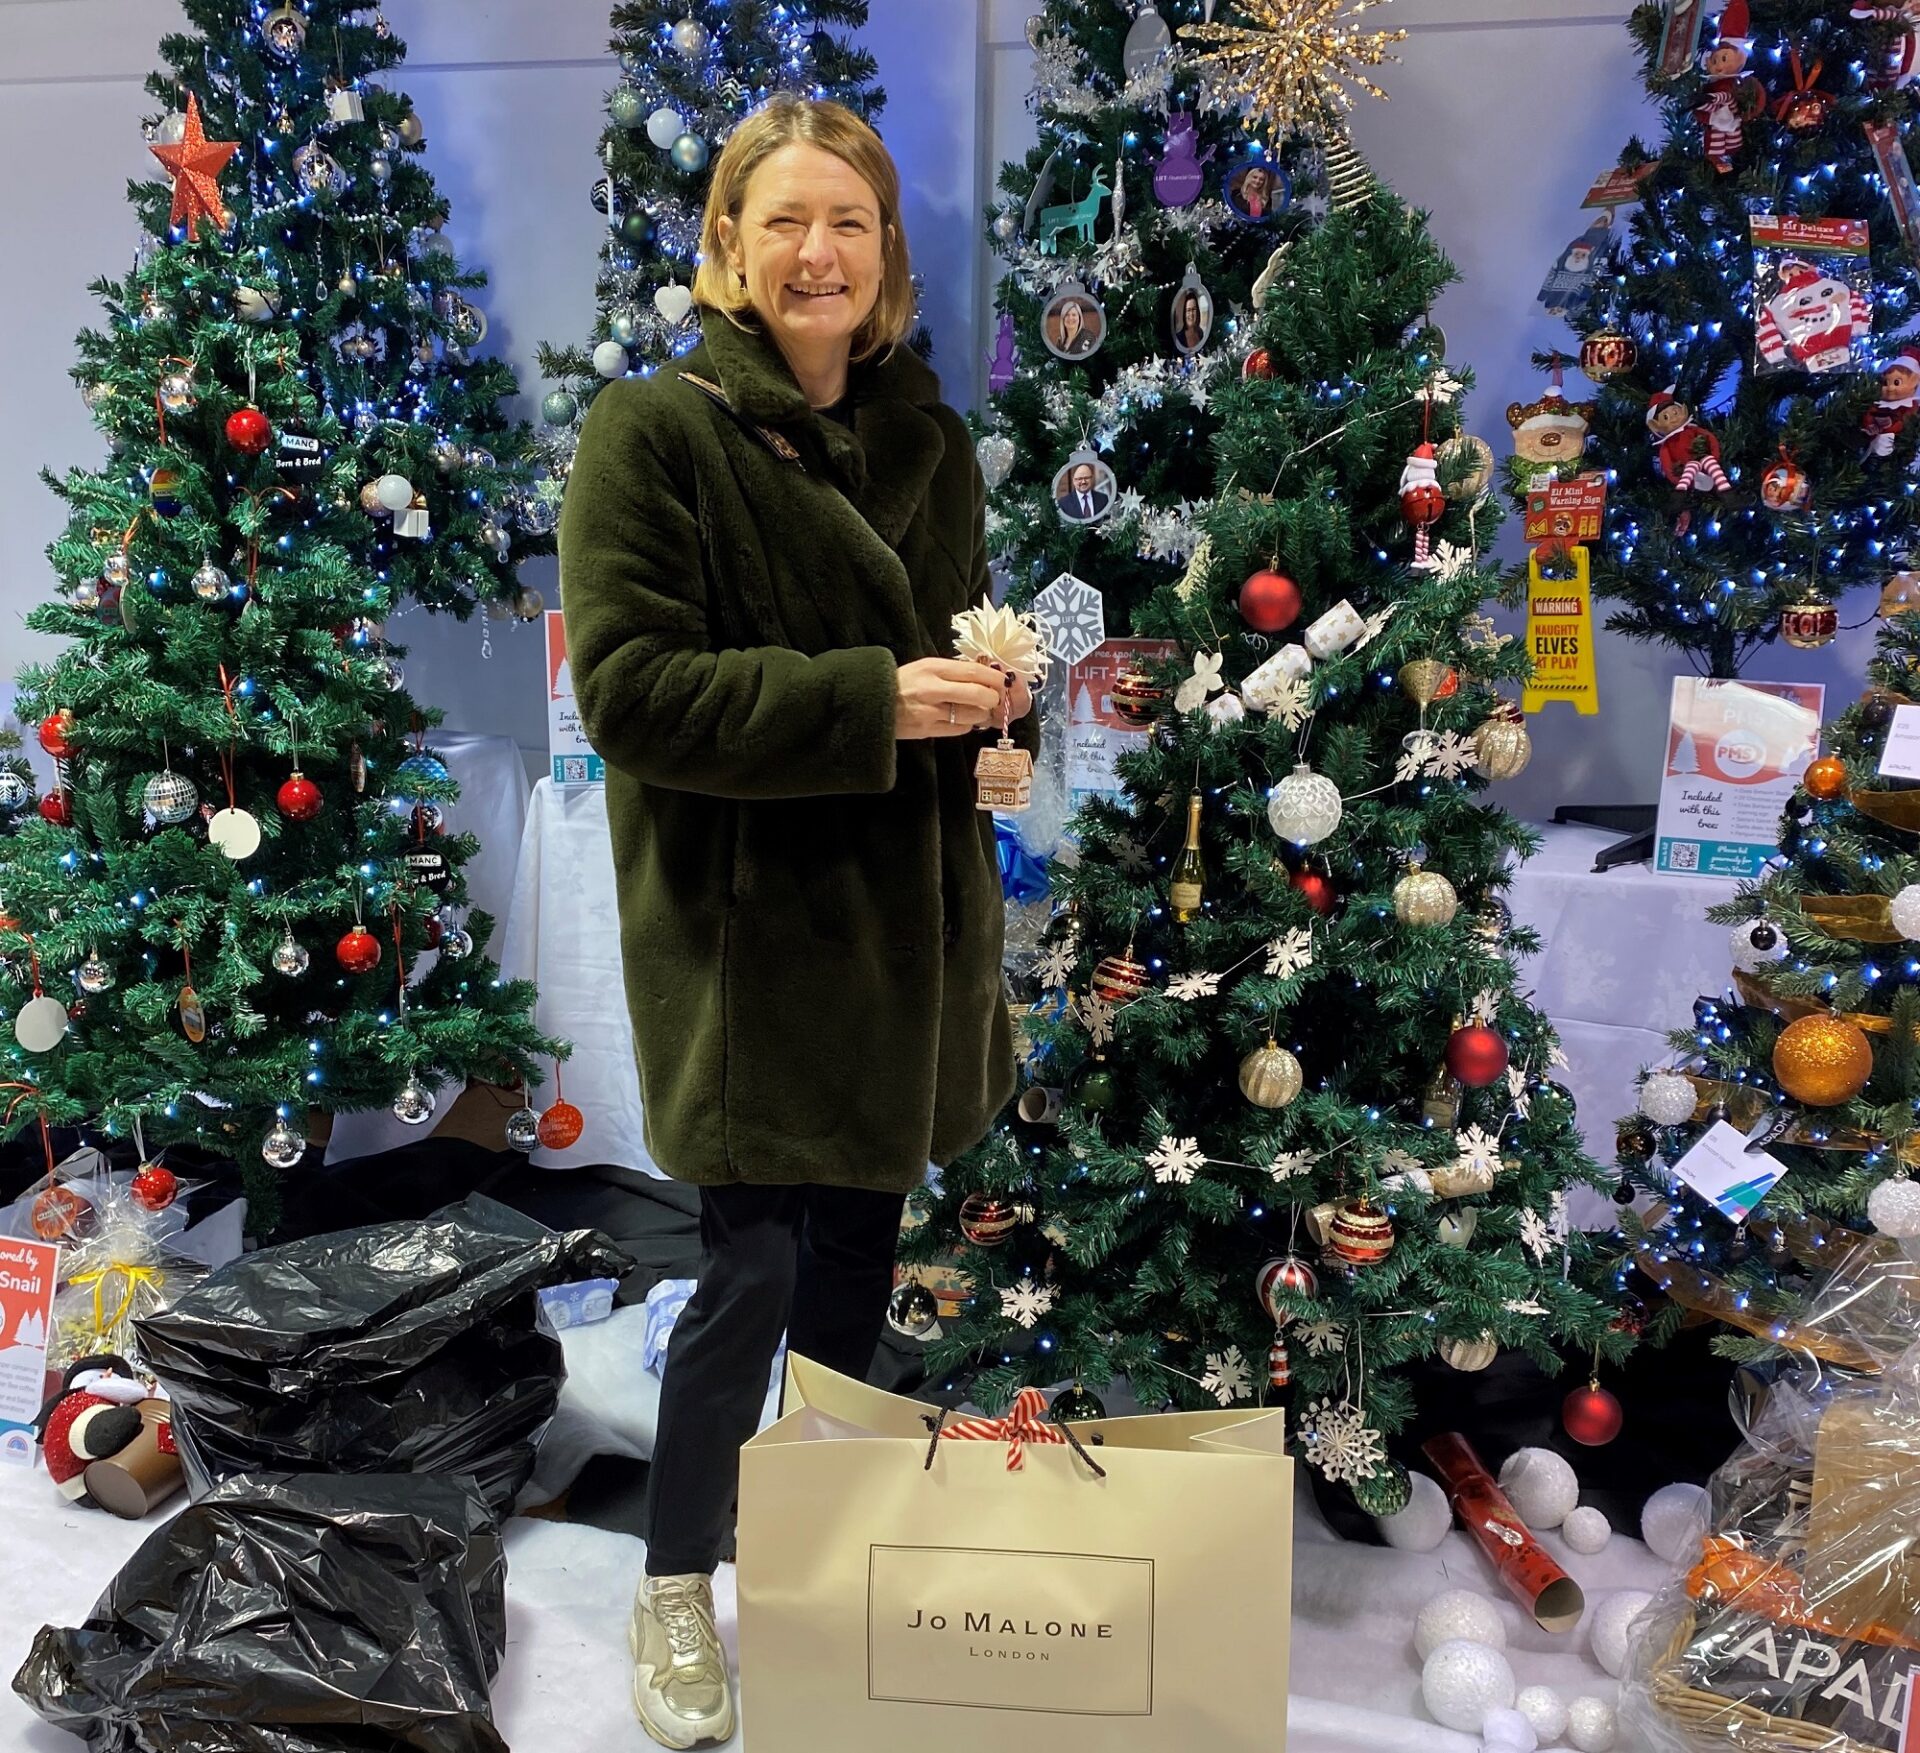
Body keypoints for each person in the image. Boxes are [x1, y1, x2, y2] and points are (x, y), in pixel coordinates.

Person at [559, 96, 1035, 1751]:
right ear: (729, 243)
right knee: (741, 1282)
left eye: (848, 220)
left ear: (888, 251)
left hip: (910, 937)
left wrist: (991, 739)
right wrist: (872, 703)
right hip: (752, 941)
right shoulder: (655, 430)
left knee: (856, 1274)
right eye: (784, 221)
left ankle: (817, 1565)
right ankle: (677, 1583)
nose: (818, 251)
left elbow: (952, 686)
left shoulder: (933, 440)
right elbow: (627, 691)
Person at [1174, 287, 1208, 354]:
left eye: (1194, 310)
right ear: (1184, 313)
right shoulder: (1179, 338)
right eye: (1188, 310)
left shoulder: (1200, 333)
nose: (1191, 314)